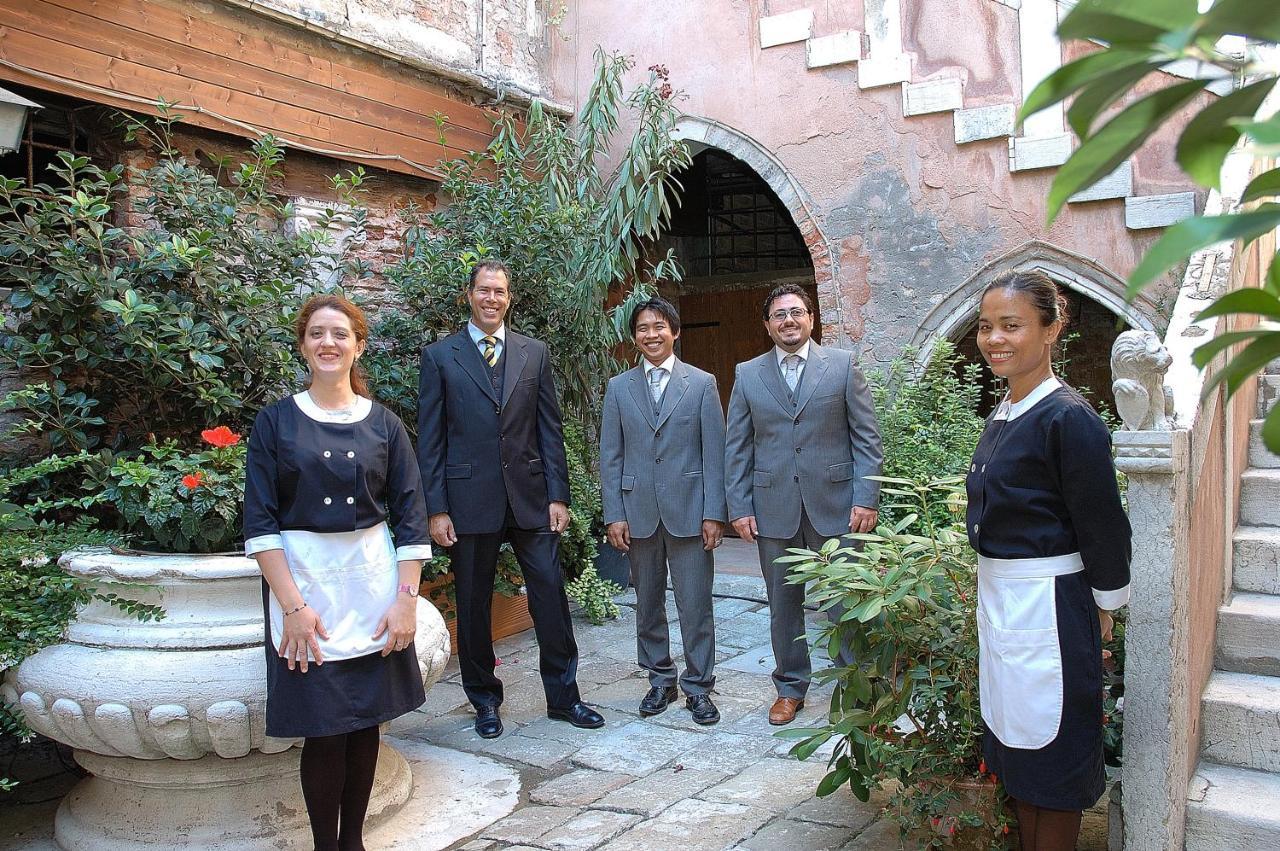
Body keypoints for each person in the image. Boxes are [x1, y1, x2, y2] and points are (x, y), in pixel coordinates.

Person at [243, 294, 433, 851]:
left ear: (359, 345)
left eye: (341, 334)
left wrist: (405, 600)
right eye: (318, 334)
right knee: (324, 731)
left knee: (366, 726)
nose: (330, 343)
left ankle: (355, 843)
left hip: (372, 588)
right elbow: (260, 525)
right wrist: (293, 609)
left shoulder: (385, 426)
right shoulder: (274, 423)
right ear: (303, 345)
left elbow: (413, 518)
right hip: (306, 589)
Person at [967, 270, 1131, 851]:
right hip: (1006, 605)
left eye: (1012, 325)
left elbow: (1102, 522)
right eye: (987, 326)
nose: (995, 339)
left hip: (1050, 608)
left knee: (1054, 753)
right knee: (1017, 749)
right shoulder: (1007, 413)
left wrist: (1105, 605)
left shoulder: (1068, 418)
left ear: (1051, 328)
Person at [416, 259, 603, 739]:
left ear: (509, 297)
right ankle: (484, 701)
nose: (492, 299)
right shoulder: (441, 357)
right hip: (468, 500)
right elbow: (431, 440)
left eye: (500, 291)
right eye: (484, 290)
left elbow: (549, 429)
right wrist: (436, 508)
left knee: (550, 597)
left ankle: (565, 698)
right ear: (469, 295)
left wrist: (558, 495)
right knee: (474, 606)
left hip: (531, 497)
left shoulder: (533, 353)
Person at [724, 283, 883, 725]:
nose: (788, 321)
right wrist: (738, 506)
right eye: (779, 315)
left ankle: (857, 687)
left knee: (846, 599)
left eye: (796, 312)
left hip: (838, 505)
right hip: (773, 507)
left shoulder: (841, 366)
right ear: (768, 325)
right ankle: (790, 687)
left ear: (811, 319)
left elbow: (867, 439)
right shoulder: (748, 374)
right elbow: (737, 445)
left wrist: (865, 497)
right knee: (783, 603)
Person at [599, 297, 727, 724]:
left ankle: (699, 687)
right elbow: (611, 456)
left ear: (675, 332)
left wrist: (714, 513)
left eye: (659, 326)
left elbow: (715, 453)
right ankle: (659, 678)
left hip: (690, 510)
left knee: (695, 604)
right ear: (634, 337)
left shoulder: (702, 383)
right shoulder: (619, 388)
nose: (651, 334)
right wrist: (614, 513)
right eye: (642, 328)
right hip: (638, 512)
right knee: (648, 601)